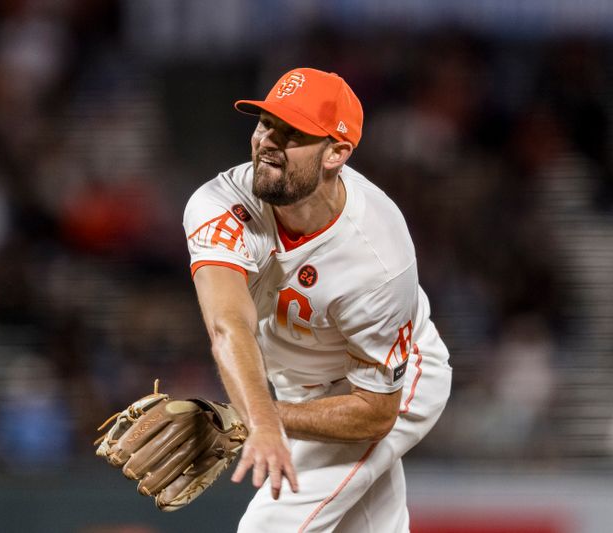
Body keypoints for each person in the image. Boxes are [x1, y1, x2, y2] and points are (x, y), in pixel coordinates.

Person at [183, 68, 452, 533]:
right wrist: (256, 415)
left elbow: (374, 413)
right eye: (265, 123)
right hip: (297, 382)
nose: (268, 140)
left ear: (337, 153)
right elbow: (228, 323)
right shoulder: (220, 202)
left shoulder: (378, 257)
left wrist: (257, 419)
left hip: (386, 387)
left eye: (291, 133)